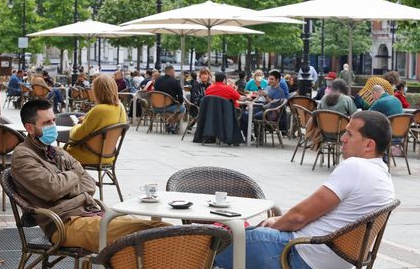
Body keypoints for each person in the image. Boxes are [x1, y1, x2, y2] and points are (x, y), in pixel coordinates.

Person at [216, 110, 395, 269]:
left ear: (369, 145)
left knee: (206, 242)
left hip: (300, 254)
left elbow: (298, 216)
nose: (342, 138)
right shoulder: (383, 175)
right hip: (335, 258)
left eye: (349, 134)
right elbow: (320, 214)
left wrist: (275, 226)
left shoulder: (356, 167)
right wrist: (280, 221)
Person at [11, 99, 170, 253]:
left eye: (53, 120)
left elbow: (89, 184)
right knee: (155, 232)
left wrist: (66, 186)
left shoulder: (57, 152)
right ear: (30, 128)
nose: (53, 126)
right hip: (65, 224)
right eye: (47, 123)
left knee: (164, 229)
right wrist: (74, 174)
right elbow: (52, 189)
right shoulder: (23, 156)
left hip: (92, 214)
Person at [66, 74, 127, 164]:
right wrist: (87, 120)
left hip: (88, 155)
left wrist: (76, 125)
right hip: (108, 156)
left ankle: (70, 177)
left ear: (97, 91)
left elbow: (76, 136)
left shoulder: (99, 110)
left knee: (58, 155)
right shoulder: (120, 107)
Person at [240, 70, 286, 138]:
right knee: (242, 114)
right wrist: (252, 104)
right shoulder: (268, 87)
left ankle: (252, 137)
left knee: (246, 115)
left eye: (272, 79)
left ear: (277, 80)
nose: (269, 81)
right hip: (260, 107)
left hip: (269, 111)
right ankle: (251, 137)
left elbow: (274, 105)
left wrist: (265, 96)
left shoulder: (280, 91)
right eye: (269, 79)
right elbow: (259, 97)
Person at [154, 65, 186, 134]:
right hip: (168, 107)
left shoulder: (157, 81)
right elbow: (180, 98)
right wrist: (179, 102)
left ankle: (170, 124)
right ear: (171, 71)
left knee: (171, 112)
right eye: (174, 71)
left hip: (156, 108)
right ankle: (171, 124)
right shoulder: (175, 82)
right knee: (182, 109)